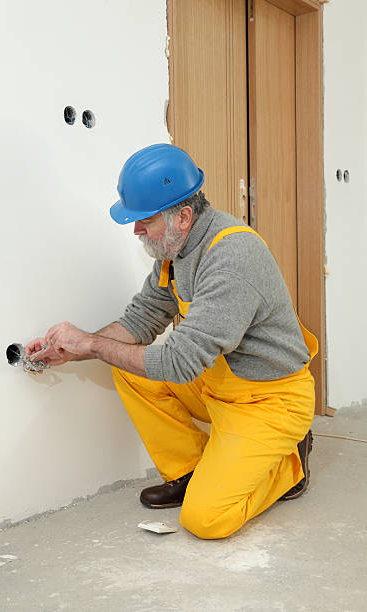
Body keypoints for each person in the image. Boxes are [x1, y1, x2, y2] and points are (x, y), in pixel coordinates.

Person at [26, 143, 318, 540]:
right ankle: (191, 471)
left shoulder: (233, 255)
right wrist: (75, 349)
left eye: (143, 219)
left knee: (206, 520)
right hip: (218, 386)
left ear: (182, 216)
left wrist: (92, 346)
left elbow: (180, 363)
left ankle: (290, 464)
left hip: (270, 400)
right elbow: (141, 320)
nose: (136, 230)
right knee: (129, 369)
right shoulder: (175, 250)